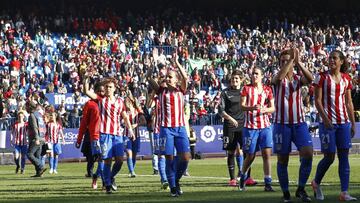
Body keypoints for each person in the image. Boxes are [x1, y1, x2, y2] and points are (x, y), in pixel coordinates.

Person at [312, 50, 357, 201]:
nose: (331, 60)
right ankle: (316, 182)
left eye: (334, 58)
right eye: (330, 58)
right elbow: (317, 101)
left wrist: (352, 122)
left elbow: (349, 102)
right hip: (328, 124)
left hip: (343, 123)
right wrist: (325, 119)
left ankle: (344, 192)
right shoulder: (322, 77)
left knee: (344, 156)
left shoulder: (346, 79)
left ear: (341, 61)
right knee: (330, 157)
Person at [271, 48, 314, 202]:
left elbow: (311, 79)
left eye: (287, 60)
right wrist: (291, 61)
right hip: (281, 124)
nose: (285, 63)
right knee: (283, 160)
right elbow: (280, 76)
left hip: (299, 123)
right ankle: (286, 193)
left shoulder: (297, 79)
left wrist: (299, 62)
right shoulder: (276, 77)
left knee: (308, 153)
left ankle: (301, 189)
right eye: (282, 61)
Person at [147, 49, 190, 197]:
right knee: (169, 158)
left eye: (170, 77)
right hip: (166, 129)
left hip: (180, 128)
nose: (167, 79)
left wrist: (176, 62)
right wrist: (152, 63)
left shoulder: (181, 90)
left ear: (176, 80)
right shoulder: (161, 91)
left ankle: (176, 180)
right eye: (166, 77)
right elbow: (148, 78)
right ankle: (172, 186)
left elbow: (185, 77)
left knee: (185, 158)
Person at [83, 77, 135, 194]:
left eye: (110, 87)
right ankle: (107, 185)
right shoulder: (101, 100)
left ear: (114, 88)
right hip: (104, 135)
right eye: (106, 87)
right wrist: (86, 80)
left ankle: (110, 177)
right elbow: (86, 92)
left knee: (120, 160)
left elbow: (125, 116)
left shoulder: (120, 102)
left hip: (117, 135)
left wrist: (130, 129)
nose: (108, 89)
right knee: (106, 161)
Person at [239, 67, 275, 192]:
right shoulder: (246, 89)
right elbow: (242, 106)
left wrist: (265, 110)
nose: (254, 75)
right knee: (250, 155)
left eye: (256, 73)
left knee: (267, 154)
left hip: (265, 126)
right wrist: (252, 108)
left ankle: (268, 182)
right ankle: (243, 176)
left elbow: (272, 107)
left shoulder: (267, 89)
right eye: (252, 73)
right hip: (250, 127)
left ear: (262, 76)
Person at [218, 70, 256, 187]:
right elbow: (220, 110)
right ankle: (232, 179)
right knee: (230, 152)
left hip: (243, 126)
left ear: (241, 80)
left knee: (247, 152)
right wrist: (230, 119)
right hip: (229, 126)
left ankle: (247, 178)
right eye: (233, 79)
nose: (234, 81)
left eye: (236, 79)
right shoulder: (225, 93)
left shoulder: (245, 91)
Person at [76, 81, 105, 189]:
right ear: (96, 92)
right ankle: (105, 182)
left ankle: (95, 177)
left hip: (107, 134)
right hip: (95, 136)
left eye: (104, 91)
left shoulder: (107, 101)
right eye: (100, 91)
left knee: (106, 159)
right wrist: (79, 139)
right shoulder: (90, 104)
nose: (102, 93)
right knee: (101, 158)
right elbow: (84, 123)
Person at [123, 94, 145, 178]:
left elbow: (144, 121)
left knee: (134, 154)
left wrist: (136, 125)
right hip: (126, 134)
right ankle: (132, 172)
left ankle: (131, 169)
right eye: (126, 101)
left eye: (128, 100)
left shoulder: (137, 110)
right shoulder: (123, 110)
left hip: (136, 134)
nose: (127, 102)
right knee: (129, 153)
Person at [27, 101, 47, 177]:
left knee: (30, 154)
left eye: (27, 106)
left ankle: (41, 166)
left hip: (36, 138)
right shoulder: (39, 115)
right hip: (42, 137)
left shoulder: (32, 115)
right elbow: (43, 126)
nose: (26, 108)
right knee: (37, 155)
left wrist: (36, 138)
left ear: (30, 107)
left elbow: (35, 127)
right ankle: (39, 173)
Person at [45, 110, 65, 174]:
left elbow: (61, 132)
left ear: (55, 117)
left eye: (52, 116)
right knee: (51, 154)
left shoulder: (58, 125)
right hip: (50, 141)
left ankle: (55, 169)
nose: (51, 117)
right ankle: (51, 168)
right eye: (51, 116)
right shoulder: (48, 124)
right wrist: (46, 140)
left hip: (57, 141)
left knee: (56, 155)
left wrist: (63, 139)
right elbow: (46, 133)